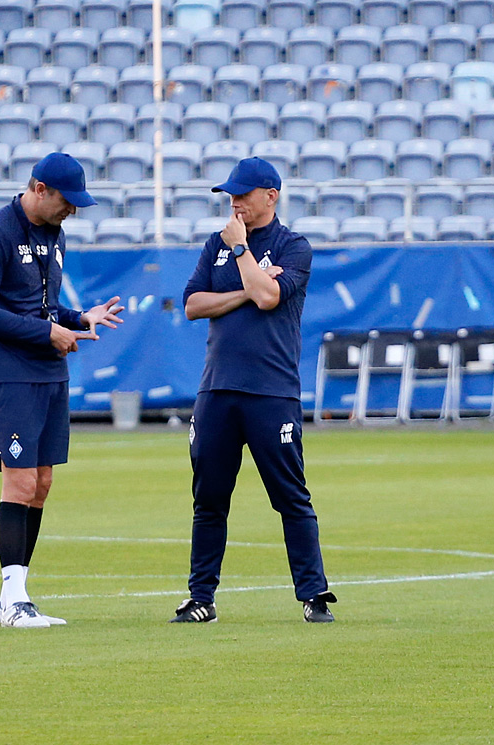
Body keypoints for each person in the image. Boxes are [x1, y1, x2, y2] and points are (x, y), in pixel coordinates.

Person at [171, 157, 338, 624]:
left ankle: (313, 594)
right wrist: (246, 286)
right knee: (209, 499)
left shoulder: (294, 247)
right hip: (217, 389)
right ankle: (201, 597)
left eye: (244, 194)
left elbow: (269, 298)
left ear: (271, 196)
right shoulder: (215, 246)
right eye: (231, 196)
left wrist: (244, 255)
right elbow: (192, 304)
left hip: (271, 390)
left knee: (290, 496)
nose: (235, 203)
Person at [0, 152, 125, 629]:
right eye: (65, 201)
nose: (71, 210)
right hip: (9, 372)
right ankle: (12, 599)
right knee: (19, 481)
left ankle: (14, 595)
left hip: (49, 370)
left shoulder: (54, 235)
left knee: (42, 483)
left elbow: (42, 306)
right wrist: (47, 334)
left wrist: (77, 319)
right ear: (38, 189)